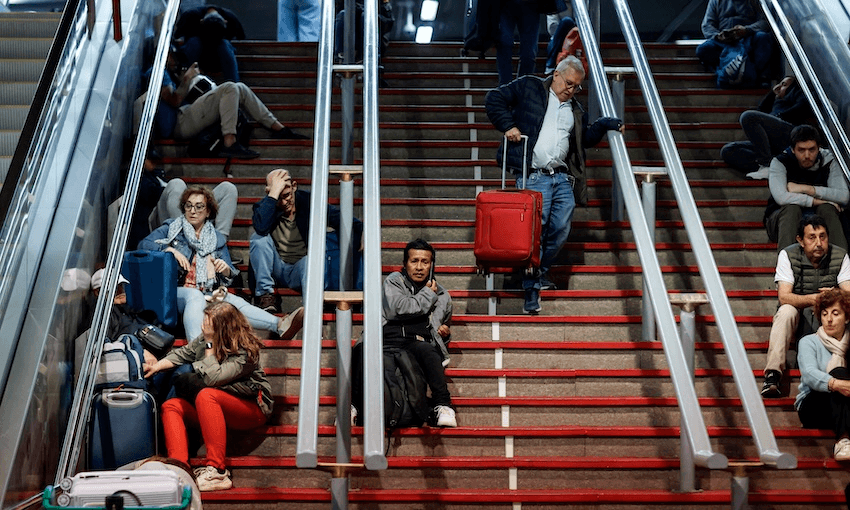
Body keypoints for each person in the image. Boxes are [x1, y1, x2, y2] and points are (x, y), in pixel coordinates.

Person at [484, 55, 623, 313]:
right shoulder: (530, 87)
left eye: (577, 87)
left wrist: (605, 123)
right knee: (535, 231)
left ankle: (536, 274)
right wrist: (508, 126)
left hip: (561, 177)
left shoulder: (575, 110)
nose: (571, 90)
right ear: (556, 75)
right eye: (569, 83)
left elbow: (585, 139)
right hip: (534, 175)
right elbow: (494, 98)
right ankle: (531, 288)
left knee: (560, 229)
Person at [138, 186, 304, 342]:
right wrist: (169, 249)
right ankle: (197, 351)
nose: (193, 211)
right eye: (188, 206)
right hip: (172, 291)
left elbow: (230, 275)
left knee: (231, 300)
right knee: (194, 296)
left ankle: (280, 325)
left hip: (205, 292)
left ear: (208, 211)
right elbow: (143, 246)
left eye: (199, 206)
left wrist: (224, 270)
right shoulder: (171, 228)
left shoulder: (216, 239)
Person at [144, 302, 274, 491]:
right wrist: (156, 366)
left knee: (206, 395)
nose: (204, 325)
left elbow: (214, 378)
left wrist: (210, 344)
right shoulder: (206, 339)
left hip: (251, 409)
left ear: (224, 326)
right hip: (217, 409)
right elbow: (183, 354)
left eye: (209, 321)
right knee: (171, 405)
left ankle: (217, 471)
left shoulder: (246, 351)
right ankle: (180, 469)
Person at [146, 49, 307, 160]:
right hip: (179, 124)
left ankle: (277, 128)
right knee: (229, 87)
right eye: (170, 55)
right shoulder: (156, 71)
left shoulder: (163, 72)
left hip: (185, 115)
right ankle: (229, 141)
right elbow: (174, 100)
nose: (173, 59)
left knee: (240, 88)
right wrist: (187, 79)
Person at [249, 168, 363, 313]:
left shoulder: (309, 201)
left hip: (301, 267)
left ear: (294, 186)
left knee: (311, 260)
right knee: (258, 239)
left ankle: (313, 309)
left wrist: (363, 230)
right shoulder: (265, 207)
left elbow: (341, 218)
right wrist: (272, 196)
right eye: (279, 197)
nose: (284, 202)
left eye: (287, 195)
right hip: (276, 267)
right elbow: (261, 227)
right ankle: (265, 296)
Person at [761, 215, 850, 398]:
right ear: (800, 240)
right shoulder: (788, 255)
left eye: (823, 236)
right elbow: (784, 296)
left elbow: (848, 293)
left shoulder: (840, 255)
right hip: (799, 313)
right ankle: (773, 374)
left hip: (827, 312)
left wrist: (833, 295)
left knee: (839, 311)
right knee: (785, 311)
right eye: (812, 237)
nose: (819, 243)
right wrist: (815, 299)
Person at [382, 239, 455, 426]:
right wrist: (427, 295)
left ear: (432, 265)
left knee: (429, 352)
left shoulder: (443, 296)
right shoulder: (394, 281)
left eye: (425, 262)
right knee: (360, 352)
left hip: (418, 342)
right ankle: (354, 406)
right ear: (405, 264)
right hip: (386, 338)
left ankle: (442, 405)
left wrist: (444, 334)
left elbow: (439, 328)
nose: (419, 267)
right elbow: (398, 309)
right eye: (414, 261)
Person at [764, 124, 849, 252]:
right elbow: (782, 198)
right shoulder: (780, 162)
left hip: (820, 219)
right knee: (791, 208)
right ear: (792, 149)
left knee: (828, 208)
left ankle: (842, 265)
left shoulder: (829, 160)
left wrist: (807, 189)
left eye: (812, 149)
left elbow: (843, 196)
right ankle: (787, 266)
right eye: (801, 150)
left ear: (819, 148)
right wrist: (818, 201)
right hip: (783, 220)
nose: (807, 155)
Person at [721, 75, 814, 178]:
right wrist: (772, 94)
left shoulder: (796, 93)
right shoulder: (776, 101)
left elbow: (803, 106)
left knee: (747, 116)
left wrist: (781, 116)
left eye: (784, 84)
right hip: (771, 145)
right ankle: (776, 166)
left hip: (789, 134)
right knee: (728, 150)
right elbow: (760, 111)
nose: (779, 87)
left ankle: (766, 164)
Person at [795, 288, 850, 461]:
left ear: (847, 317)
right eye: (825, 314)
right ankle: (843, 441)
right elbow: (810, 374)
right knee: (840, 373)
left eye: (835, 313)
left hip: (844, 404)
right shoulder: (809, 342)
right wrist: (838, 384)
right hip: (813, 405)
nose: (829, 319)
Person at [695, 0, 776, 88]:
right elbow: (707, 25)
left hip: (747, 38)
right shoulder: (715, 1)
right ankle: (722, 70)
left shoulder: (755, 1)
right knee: (703, 49)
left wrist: (747, 30)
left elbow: (765, 22)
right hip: (723, 42)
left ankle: (762, 77)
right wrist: (718, 36)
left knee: (763, 37)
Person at [173, 5, 246, 83]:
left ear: (225, 22)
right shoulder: (190, 16)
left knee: (224, 45)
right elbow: (176, 37)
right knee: (195, 42)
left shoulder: (231, 18)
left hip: (218, 58)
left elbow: (241, 38)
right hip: (198, 57)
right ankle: (185, 80)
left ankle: (234, 85)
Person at [149, 179, 238, 240]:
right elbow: (145, 245)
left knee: (228, 188)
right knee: (176, 184)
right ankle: (181, 237)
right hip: (171, 229)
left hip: (202, 232)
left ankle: (219, 245)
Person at [495, 0, 541, 85]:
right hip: (504, 6)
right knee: (504, 45)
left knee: (529, 53)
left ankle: (521, 89)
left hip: (530, 6)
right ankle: (505, 90)